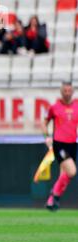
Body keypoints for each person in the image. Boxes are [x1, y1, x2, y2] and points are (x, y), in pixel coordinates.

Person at [41, 82, 78, 211]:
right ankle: (54, 194)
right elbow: (44, 122)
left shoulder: (77, 106)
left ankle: (52, 201)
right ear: (61, 92)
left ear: (72, 92)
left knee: (65, 175)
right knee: (72, 171)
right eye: (65, 91)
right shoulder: (54, 107)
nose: (67, 93)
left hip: (72, 144)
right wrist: (47, 136)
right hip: (59, 144)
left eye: (69, 90)